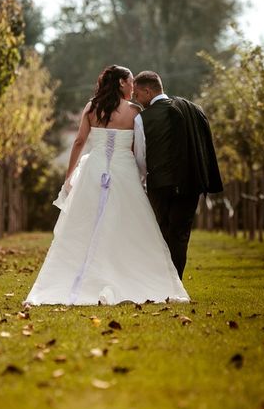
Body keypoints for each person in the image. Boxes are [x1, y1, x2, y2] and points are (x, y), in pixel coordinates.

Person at [24, 65, 190, 306]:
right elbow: (138, 147)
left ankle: (83, 279)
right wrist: (143, 175)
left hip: (94, 169)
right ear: (122, 83)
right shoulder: (135, 111)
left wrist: (69, 175)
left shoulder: (92, 107)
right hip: (124, 171)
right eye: (131, 81)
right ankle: (124, 275)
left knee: (86, 225)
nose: (133, 86)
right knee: (127, 225)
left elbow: (80, 141)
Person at [133, 70, 223, 279]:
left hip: (160, 185)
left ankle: (164, 282)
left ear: (147, 91)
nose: (135, 100)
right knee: (181, 235)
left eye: (137, 95)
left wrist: (143, 181)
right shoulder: (194, 109)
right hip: (191, 183)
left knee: (162, 234)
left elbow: (140, 157)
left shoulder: (142, 119)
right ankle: (177, 283)